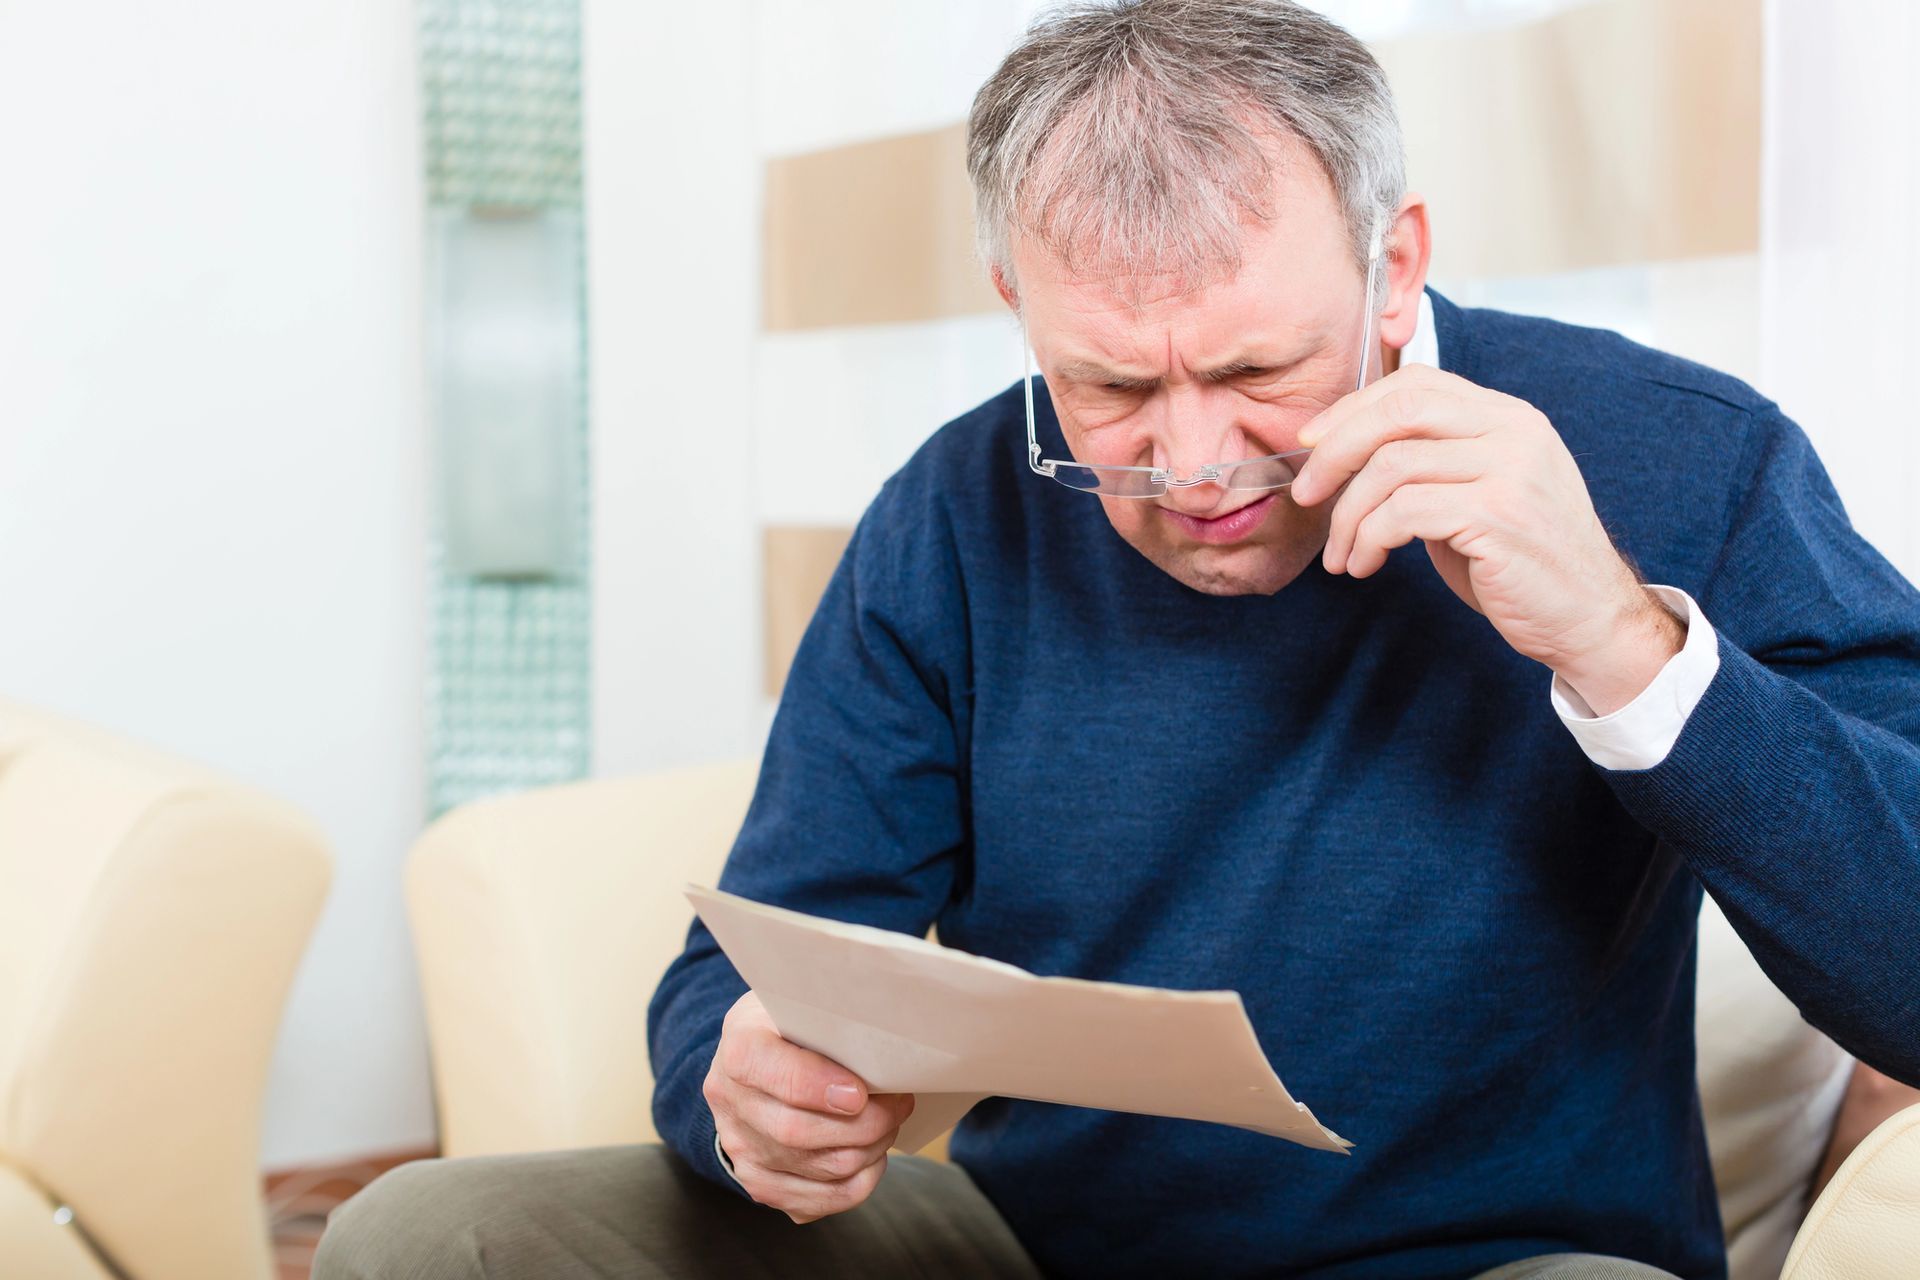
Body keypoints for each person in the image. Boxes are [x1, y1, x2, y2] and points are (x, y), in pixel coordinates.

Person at [314, 2, 1920, 1277]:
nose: (1196, 459)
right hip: (1036, 1243)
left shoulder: (1679, 456)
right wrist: (738, 1089)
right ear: (1016, 298)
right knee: (429, 1235)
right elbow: (755, 950)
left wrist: (1627, 650)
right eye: (1114, 391)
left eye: (1260, 370)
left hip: (1504, 1255)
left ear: (1395, 267)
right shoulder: (953, 510)